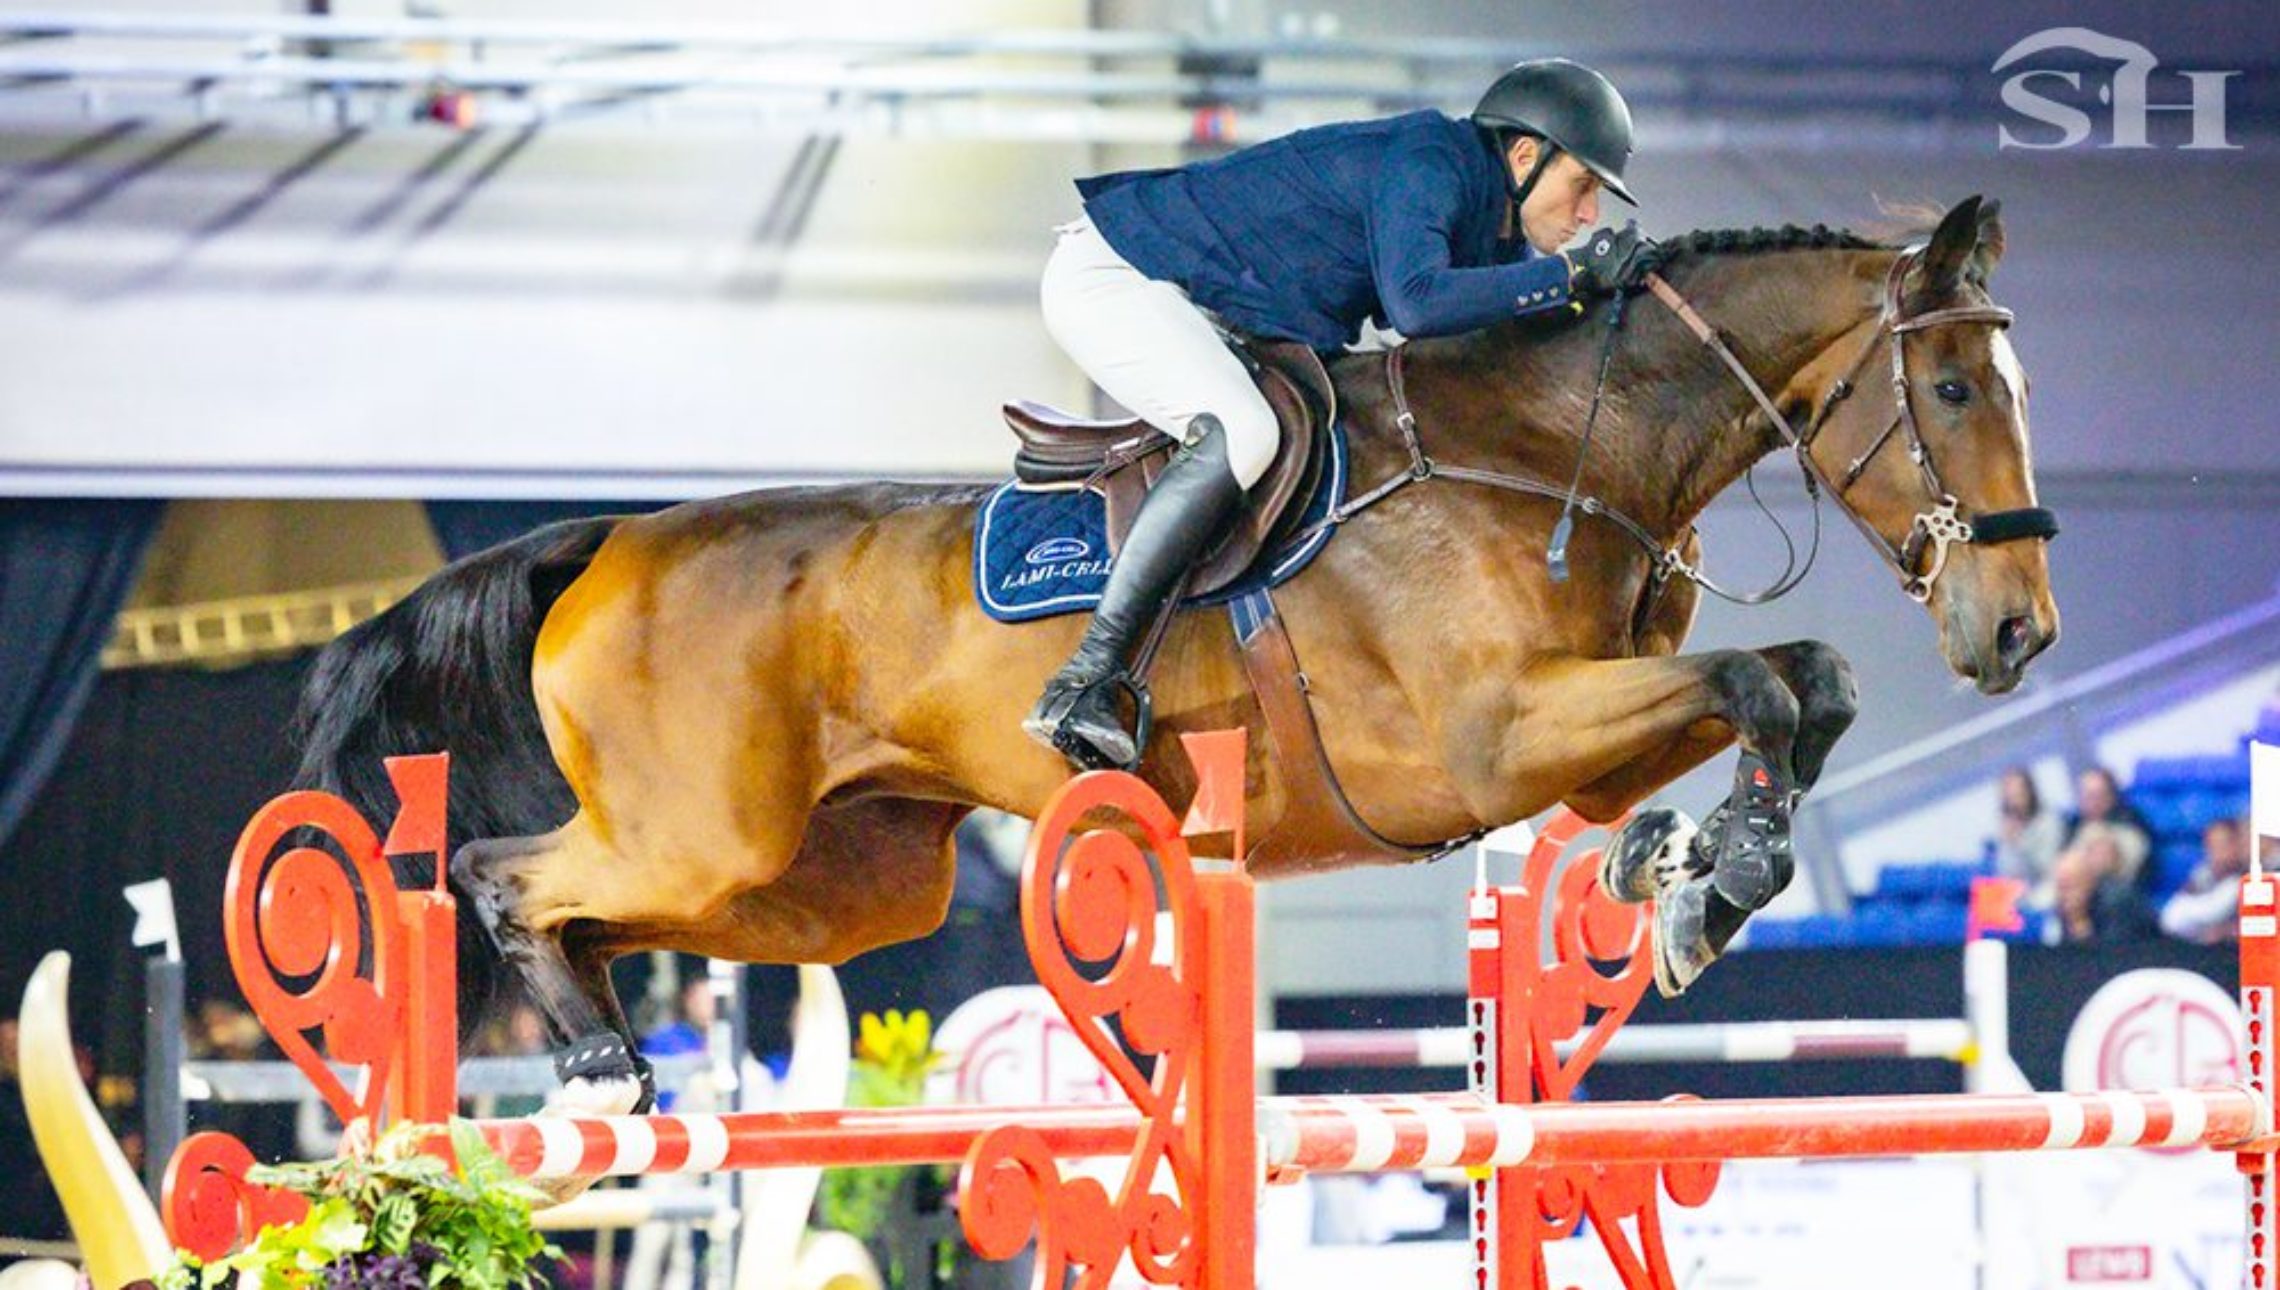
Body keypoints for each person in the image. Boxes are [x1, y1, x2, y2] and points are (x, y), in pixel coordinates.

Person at [1024, 59, 1656, 770]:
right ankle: (1085, 679)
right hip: (1117, 275)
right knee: (1245, 432)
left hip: (1202, 306)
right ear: (1523, 155)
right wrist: (1571, 276)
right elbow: (1417, 304)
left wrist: (1605, 301)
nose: (1589, 216)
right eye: (1585, 186)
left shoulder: (1491, 217)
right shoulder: (1432, 161)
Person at [2051, 827, 2161, 945]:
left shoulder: (2117, 902)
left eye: (2070, 887)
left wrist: (2080, 925)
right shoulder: (2066, 909)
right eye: (2060, 888)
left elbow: (2113, 956)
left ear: (2089, 881)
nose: (2064, 896)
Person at [2161, 818, 2253, 944]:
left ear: (2239, 844)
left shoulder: (2251, 880)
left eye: (2223, 845)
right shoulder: (2202, 874)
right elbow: (2173, 917)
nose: (2217, 852)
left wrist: (2227, 930)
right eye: (2212, 845)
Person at [2060, 766, 2151, 886]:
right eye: (2086, 795)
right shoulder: (2073, 824)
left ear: (2111, 796)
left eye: (2096, 795)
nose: (2090, 802)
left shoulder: (2130, 824)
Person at [1990, 766, 2064, 910]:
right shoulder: (2006, 826)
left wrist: (2020, 844)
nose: (2014, 799)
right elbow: (2004, 872)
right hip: (2014, 892)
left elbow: (2047, 867)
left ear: (2030, 791)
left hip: (2046, 886)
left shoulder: (2048, 821)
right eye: (2009, 795)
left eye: (2019, 793)